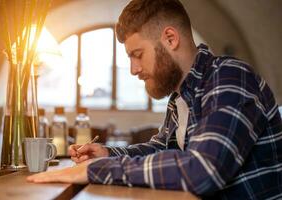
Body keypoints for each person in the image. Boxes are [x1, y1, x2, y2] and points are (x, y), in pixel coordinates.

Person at [27, 0, 282, 199]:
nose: (133, 69)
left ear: (170, 39)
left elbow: (204, 170)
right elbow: (162, 148)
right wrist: (108, 154)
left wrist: (97, 170)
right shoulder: (181, 96)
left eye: (137, 54)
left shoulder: (230, 77)